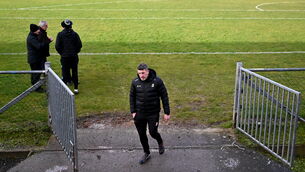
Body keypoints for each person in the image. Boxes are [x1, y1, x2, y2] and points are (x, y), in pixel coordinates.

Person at [129, 63, 170, 164]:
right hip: (139, 113)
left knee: (152, 132)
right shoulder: (135, 82)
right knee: (142, 134)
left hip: (153, 113)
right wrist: (133, 111)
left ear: (147, 71)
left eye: (143, 73)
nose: (141, 75)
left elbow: (164, 96)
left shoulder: (157, 81)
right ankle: (146, 153)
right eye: (139, 73)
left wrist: (167, 112)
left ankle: (160, 142)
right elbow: (131, 97)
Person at [55, 19, 82, 94]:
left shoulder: (60, 34)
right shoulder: (75, 34)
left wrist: (62, 53)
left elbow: (57, 46)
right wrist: (75, 52)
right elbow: (79, 45)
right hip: (74, 56)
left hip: (65, 57)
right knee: (74, 71)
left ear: (63, 26)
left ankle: (65, 88)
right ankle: (76, 88)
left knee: (65, 71)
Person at [26, 24, 51, 91]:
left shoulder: (33, 35)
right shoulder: (31, 38)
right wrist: (48, 41)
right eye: (38, 30)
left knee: (36, 73)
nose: (39, 30)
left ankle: (35, 85)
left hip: (36, 58)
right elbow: (39, 46)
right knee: (36, 73)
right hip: (34, 59)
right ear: (34, 31)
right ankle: (37, 88)